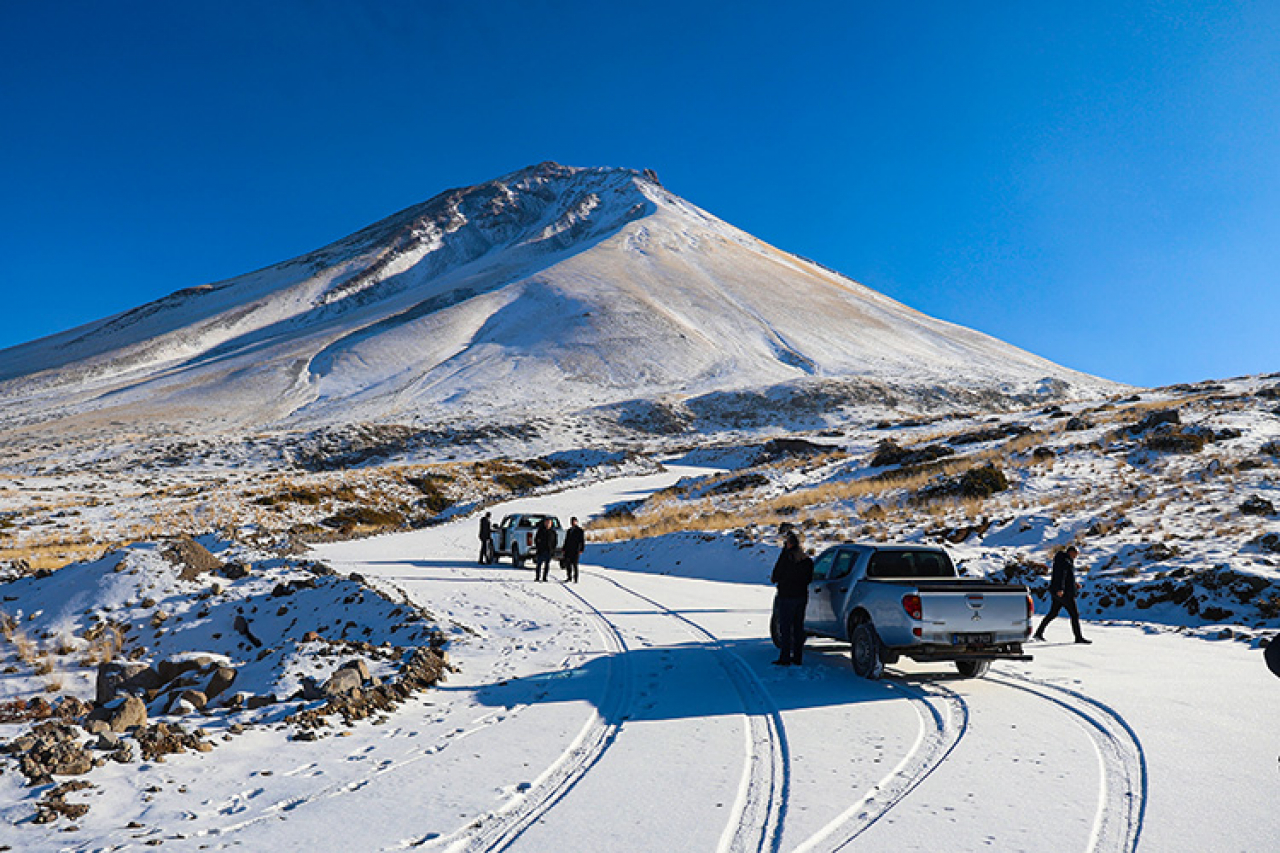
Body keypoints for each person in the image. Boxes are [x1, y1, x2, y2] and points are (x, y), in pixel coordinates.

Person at [771, 530, 814, 666]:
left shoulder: (786, 558)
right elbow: (809, 578)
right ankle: (797, 657)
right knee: (798, 627)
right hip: (801, 596)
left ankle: (785, 657)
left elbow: (775, 576)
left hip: (786, 596)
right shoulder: (806, 560)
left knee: (785, 628)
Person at [1034, 545, 1091, 644]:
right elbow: (1060, 576)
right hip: (1064, 593)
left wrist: (1074, 584)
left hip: (1060, 591)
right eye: (1075, 554)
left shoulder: (1064, 560)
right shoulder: (1064, 561)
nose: (1076, 556)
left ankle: (1038, 633)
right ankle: (1078, 637)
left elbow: (1066, 576)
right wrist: (1060, 589)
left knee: (1053, 613)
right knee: (1074, 614)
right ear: (1071, 552)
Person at [562, 517, 585, 583]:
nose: (573, 523)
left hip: (576, 550)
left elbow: (582, 541)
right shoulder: (569, 531)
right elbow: (566, 540)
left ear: (576, 522)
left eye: (574, 521)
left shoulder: (580, 531)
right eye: (572, 521)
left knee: (575, 564)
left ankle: (576, 578)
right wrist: (564, 548)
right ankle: (569, 577)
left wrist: (581, 549)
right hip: (568, 550)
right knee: (568, 564)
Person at [533, 517, 556, 582]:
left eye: (549, 523)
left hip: (549, 551)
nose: (548, 524)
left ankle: (544, 577)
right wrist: (538, 546)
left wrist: (553, 549)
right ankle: (537, 577)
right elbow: (536, 539)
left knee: (547, 565)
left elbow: (555, 542)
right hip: (541, 550)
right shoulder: (540, 531)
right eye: (547, 523)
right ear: (544, 523)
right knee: (539, 564)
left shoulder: (553, 532)